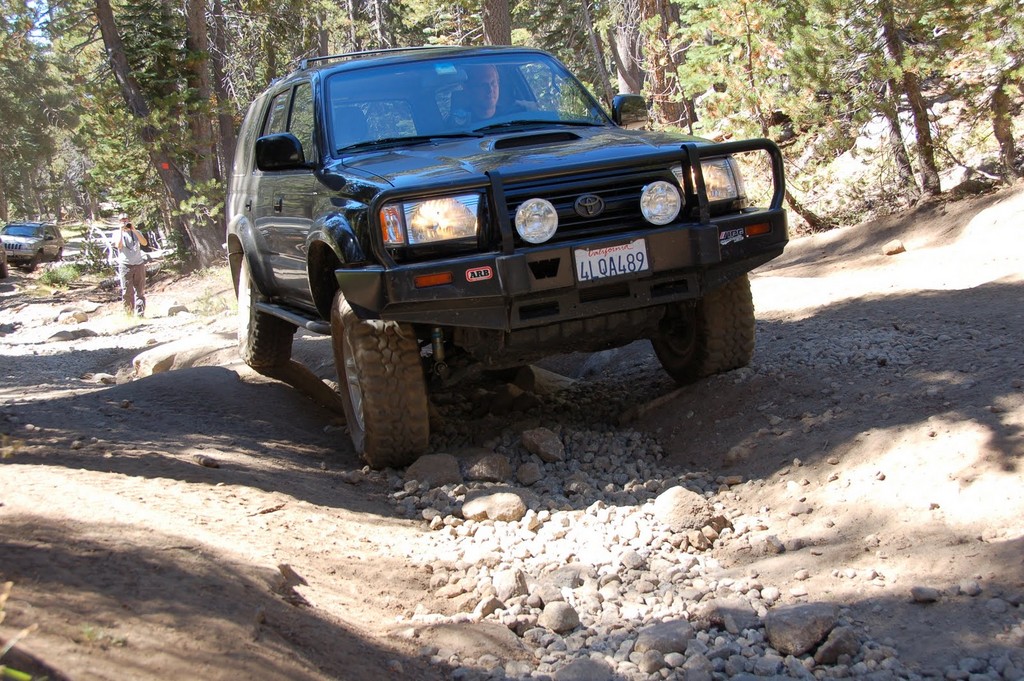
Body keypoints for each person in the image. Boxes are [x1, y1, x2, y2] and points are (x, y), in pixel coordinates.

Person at [115, 216, 148, 316]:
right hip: (125, 265)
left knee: (140, 290)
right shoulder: (117, 234)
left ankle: (140, 313)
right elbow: (118, 245)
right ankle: (129, 314)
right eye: (122, 221)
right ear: (119, 222)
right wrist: (121, 231)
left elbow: (144, 243)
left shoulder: (136, 232)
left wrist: (134, 230)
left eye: (126, 221)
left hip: (138, 264)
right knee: (127, 291)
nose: (125, 223)